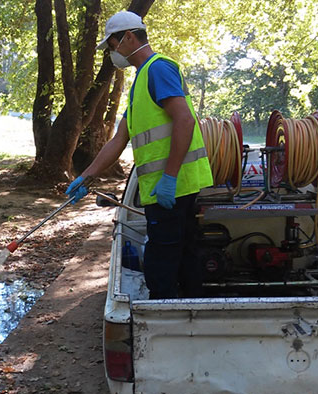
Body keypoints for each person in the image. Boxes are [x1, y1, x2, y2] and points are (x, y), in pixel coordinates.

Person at [65, 11, 214, 299]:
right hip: (165, 189)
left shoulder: (158, 69)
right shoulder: (142, 81)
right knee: (181, 257)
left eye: (112, 45)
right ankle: (186, 318)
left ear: (129, 37)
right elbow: (119, 140)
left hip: (173, 187)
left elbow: (185, 120)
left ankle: (165, 326)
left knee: (162, 266)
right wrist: (85, 176)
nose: (112, 53)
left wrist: (169, 177)